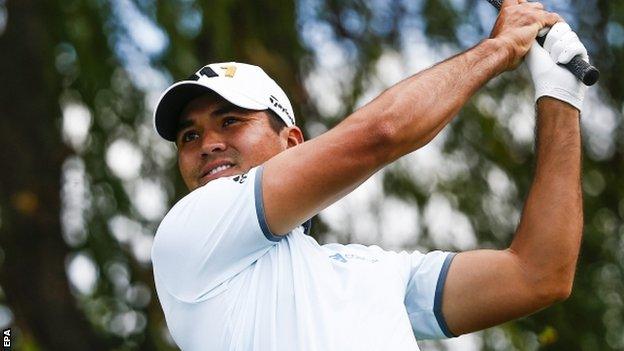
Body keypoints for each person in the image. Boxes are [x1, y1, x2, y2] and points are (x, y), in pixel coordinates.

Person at [150, 1, 587, 349]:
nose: (206, 144)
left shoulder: (370, 270)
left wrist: (559, 96)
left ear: (291, 143)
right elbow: (382, 133)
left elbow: (538, 275)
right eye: (188, 136)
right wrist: (501, 48)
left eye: (229, 122)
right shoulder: (189, 233)